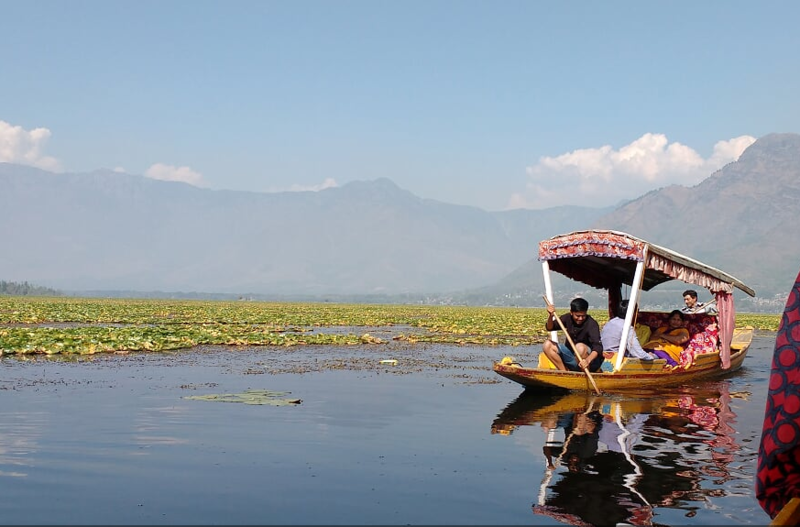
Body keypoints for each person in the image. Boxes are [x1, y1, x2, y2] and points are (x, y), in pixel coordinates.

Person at [542, 297, 604, 372]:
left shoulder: (592, 324)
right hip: (571, 357)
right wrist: (551, 316)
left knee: (580, 347)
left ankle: (583, 374)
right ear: (571, 312)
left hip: (589, 362)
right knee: (547, 345)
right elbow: (550, 327)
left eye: (583, 316)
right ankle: (564, 372)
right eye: (577, 316)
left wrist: (587, 361)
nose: (580, 318)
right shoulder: (567, 317)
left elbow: (598, 347)